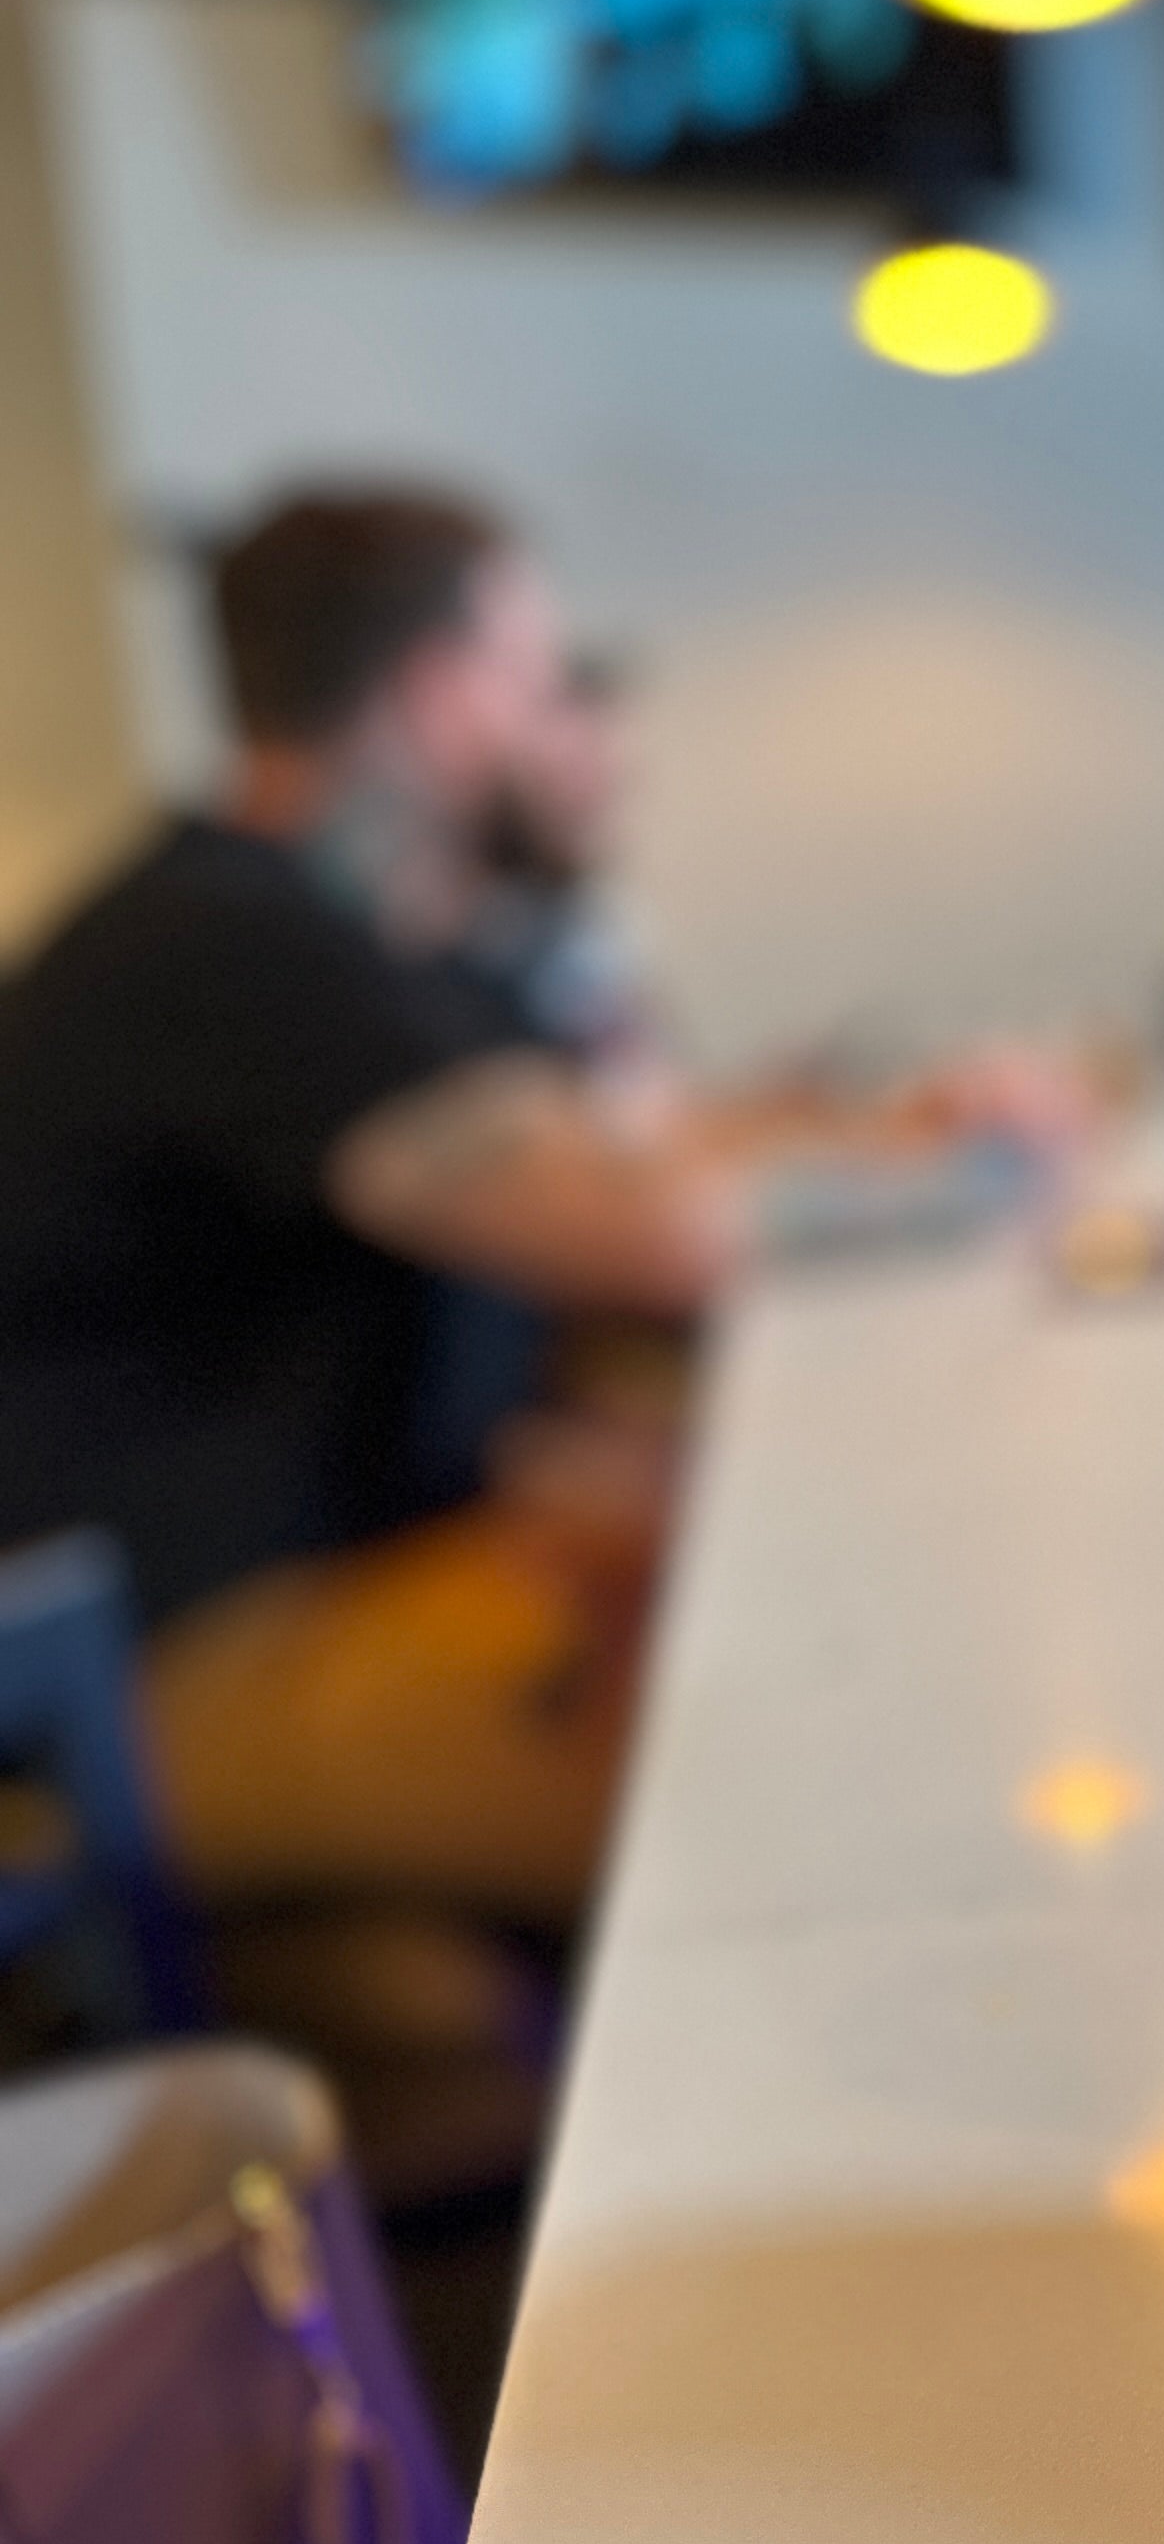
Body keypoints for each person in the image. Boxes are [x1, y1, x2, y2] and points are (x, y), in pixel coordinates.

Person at [0, 488, 730, 1922]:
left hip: (308, 1582)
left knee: (758, 1618)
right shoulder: (226, 944)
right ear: (436, 691)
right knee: (753, 1767)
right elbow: (658, 1235)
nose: (549, 716)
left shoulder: (337, 932)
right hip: (146, 1669)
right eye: (528, 674)